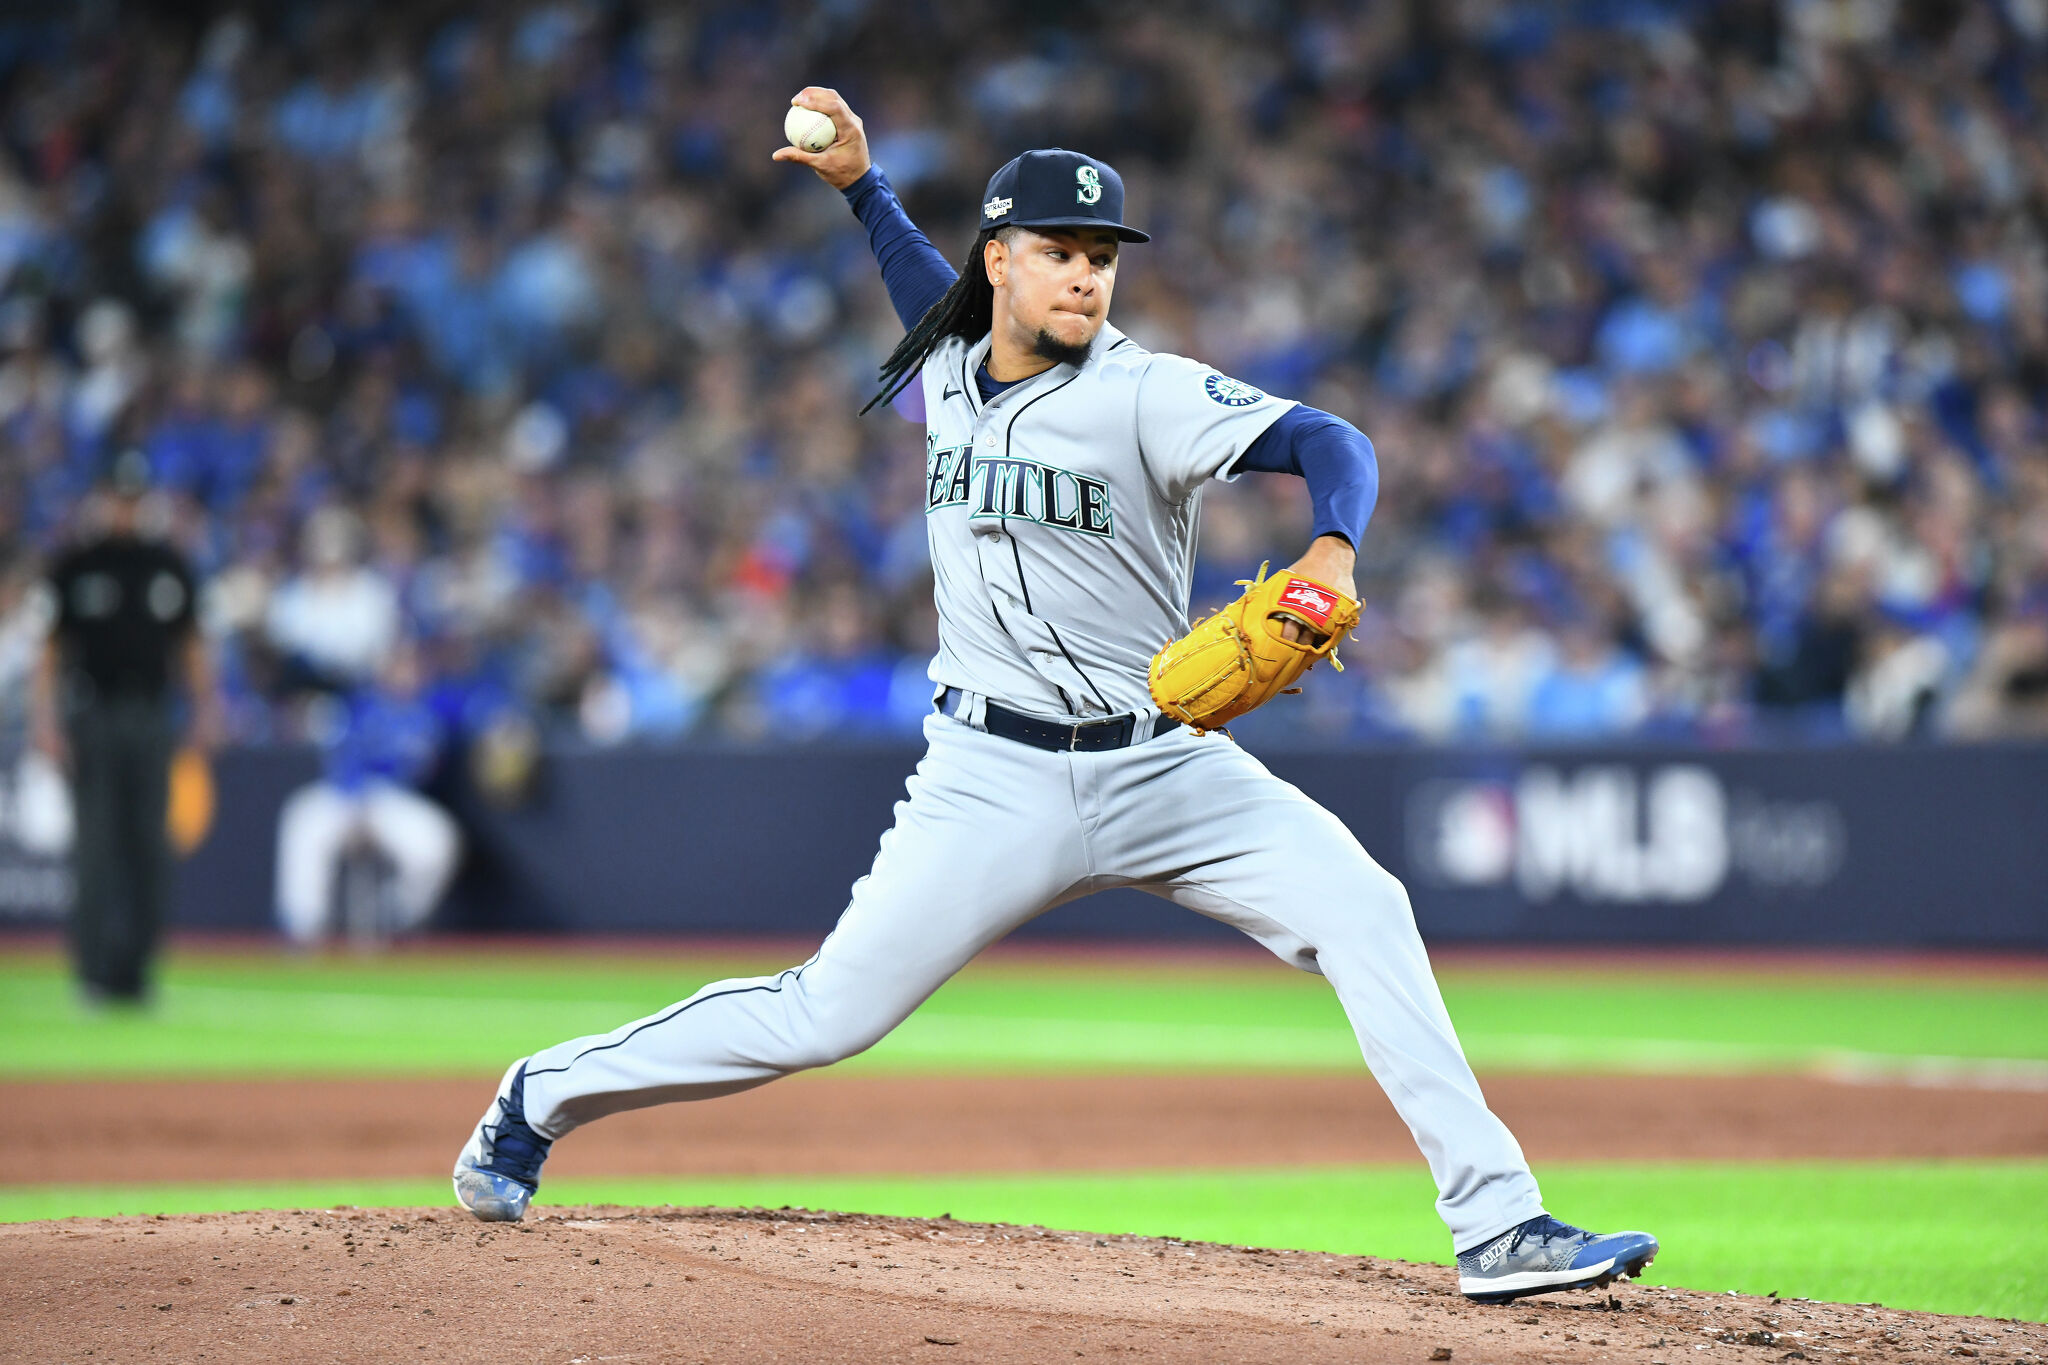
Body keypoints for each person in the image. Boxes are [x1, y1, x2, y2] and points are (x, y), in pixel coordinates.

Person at [452, 89, 1658, 1306]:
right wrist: (861, 191)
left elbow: (1333, 440)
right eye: (1056, 253)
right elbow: (915, 282)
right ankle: (535, 1097)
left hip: (1162, 761)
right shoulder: (946, 360)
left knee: (1365, 906)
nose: (1084, 277)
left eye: (1099, 257)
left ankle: (1496, 1225)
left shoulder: (1145, 391)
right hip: (989, 779)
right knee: (824, 1016)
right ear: (1000, 264)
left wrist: (1332, 550)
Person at [33, 451, 219, 1004]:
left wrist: (207, 708)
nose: (126, 509)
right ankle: (92, 972)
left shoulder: (167, 565)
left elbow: (190, 646)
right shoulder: (77, 565)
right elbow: (51, 652)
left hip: (151, 715)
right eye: (119, 497)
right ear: (103, 499)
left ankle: (138, 973)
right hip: (94, 713)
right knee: (95, 846)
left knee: (148, 846)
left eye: (135, 499)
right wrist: (45, 719)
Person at [274, 640, 461, 944]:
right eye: (397, 665)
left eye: (411, 666)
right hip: (345, 794)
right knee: (302, 818)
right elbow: (342, 757)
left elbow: (479, 709)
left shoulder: (433, 707)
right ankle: (303, 928)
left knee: (436, 842)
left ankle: (396, 918)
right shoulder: (360, 704)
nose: (405, 673)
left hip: (395, 801)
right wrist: (356, 804)